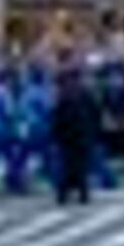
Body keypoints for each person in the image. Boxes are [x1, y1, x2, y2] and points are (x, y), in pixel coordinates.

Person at [47, 65, 106, 207]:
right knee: (81, 165)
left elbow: (57, 116)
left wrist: (55, 134)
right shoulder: (86, 93)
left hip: (67, 135)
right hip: (83, 134)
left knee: (66, 164)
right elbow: (96, 113)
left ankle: (63, 194)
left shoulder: (63, 95)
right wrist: (95, 131)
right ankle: (82, 193)